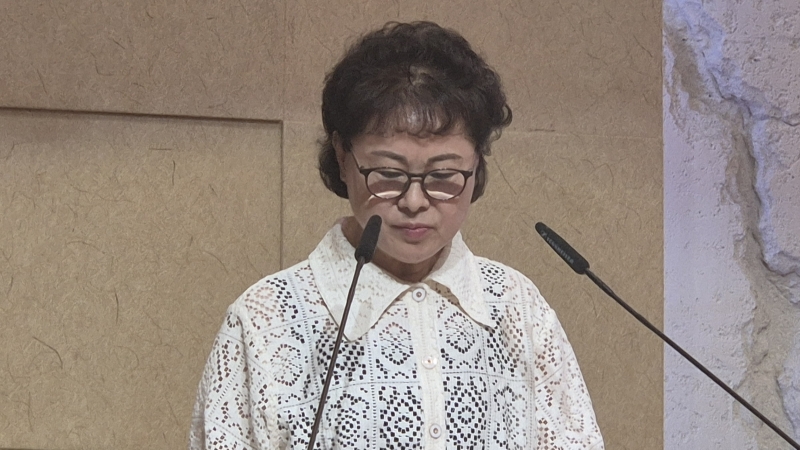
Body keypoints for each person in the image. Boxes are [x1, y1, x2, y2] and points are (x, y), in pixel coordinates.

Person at [189, 21, 604, 449]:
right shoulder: (267, 319)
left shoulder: (518, 308)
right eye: (388, 174)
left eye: (443, 175)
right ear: (343, 157)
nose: (414, 201)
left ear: (477, 165)